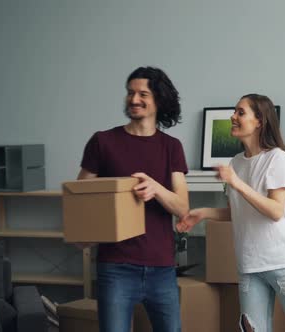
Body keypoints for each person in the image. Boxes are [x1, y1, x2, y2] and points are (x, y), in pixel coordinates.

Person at [176, 94, 285, 332]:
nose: (233, 117)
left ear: (259, 121)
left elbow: (275, 211)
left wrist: (236, 183)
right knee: (251, 329)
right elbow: (241, 211)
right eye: (234, 111)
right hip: (249, 265)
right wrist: (203, 213)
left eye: (240, 112)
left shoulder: (277, 159)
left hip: (284, 262)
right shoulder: (236, 162)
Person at [77, 66, 189, 332]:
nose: (134, 99)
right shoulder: (103, 142)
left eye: (142, 94)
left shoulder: (171, 147)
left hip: (162, 268)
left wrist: (156, 188)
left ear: (158, 100)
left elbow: (182, 208)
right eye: (130, 93)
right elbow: (80, 196)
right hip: (115, 267)